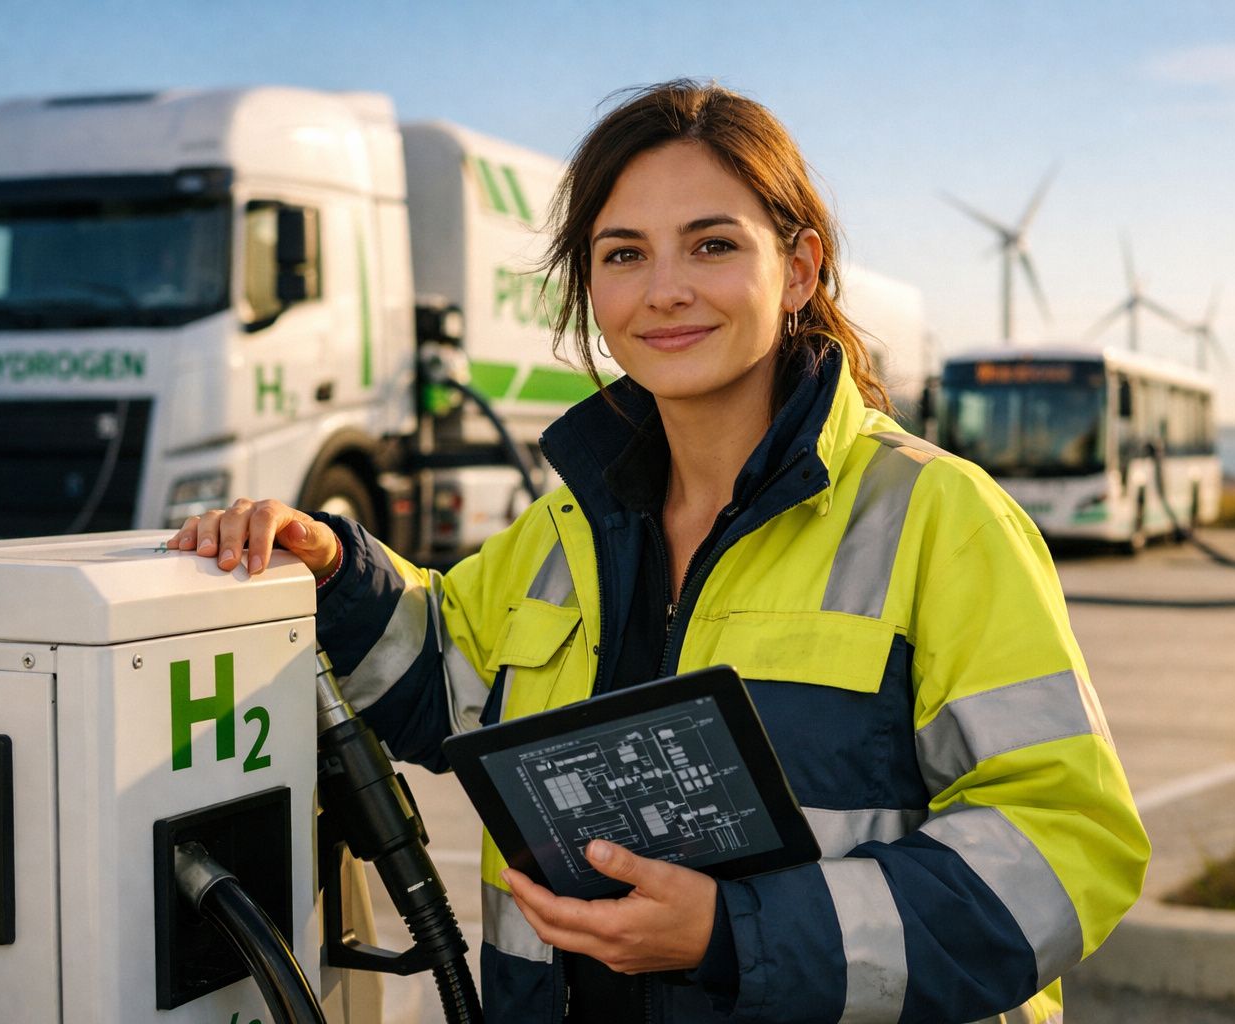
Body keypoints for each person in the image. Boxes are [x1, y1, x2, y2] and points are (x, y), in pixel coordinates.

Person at [170, 80, 1149, 1024]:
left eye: (712, 245)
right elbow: (441, 677)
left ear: (800, 268)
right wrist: (334, 570)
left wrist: (736, 933)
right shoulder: (566, 528)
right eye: (625, 254)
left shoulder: (943, 520)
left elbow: (1067, 849)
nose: (666, 291)